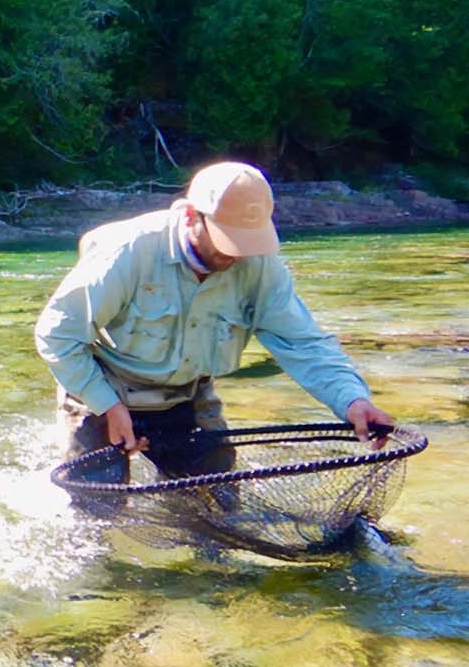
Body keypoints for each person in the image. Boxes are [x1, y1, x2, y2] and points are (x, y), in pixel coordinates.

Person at [34, 162, 393, 483]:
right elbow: (57, 335)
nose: (236, 254)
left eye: (245, 242)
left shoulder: (260, 264)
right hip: (103, 389)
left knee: (219, 510)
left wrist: (351, 399)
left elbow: (303, 342)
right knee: (95, 519)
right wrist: (108, 406)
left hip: (188, 394)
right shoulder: (127, 253)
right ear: (191, 216)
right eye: (227, 241)